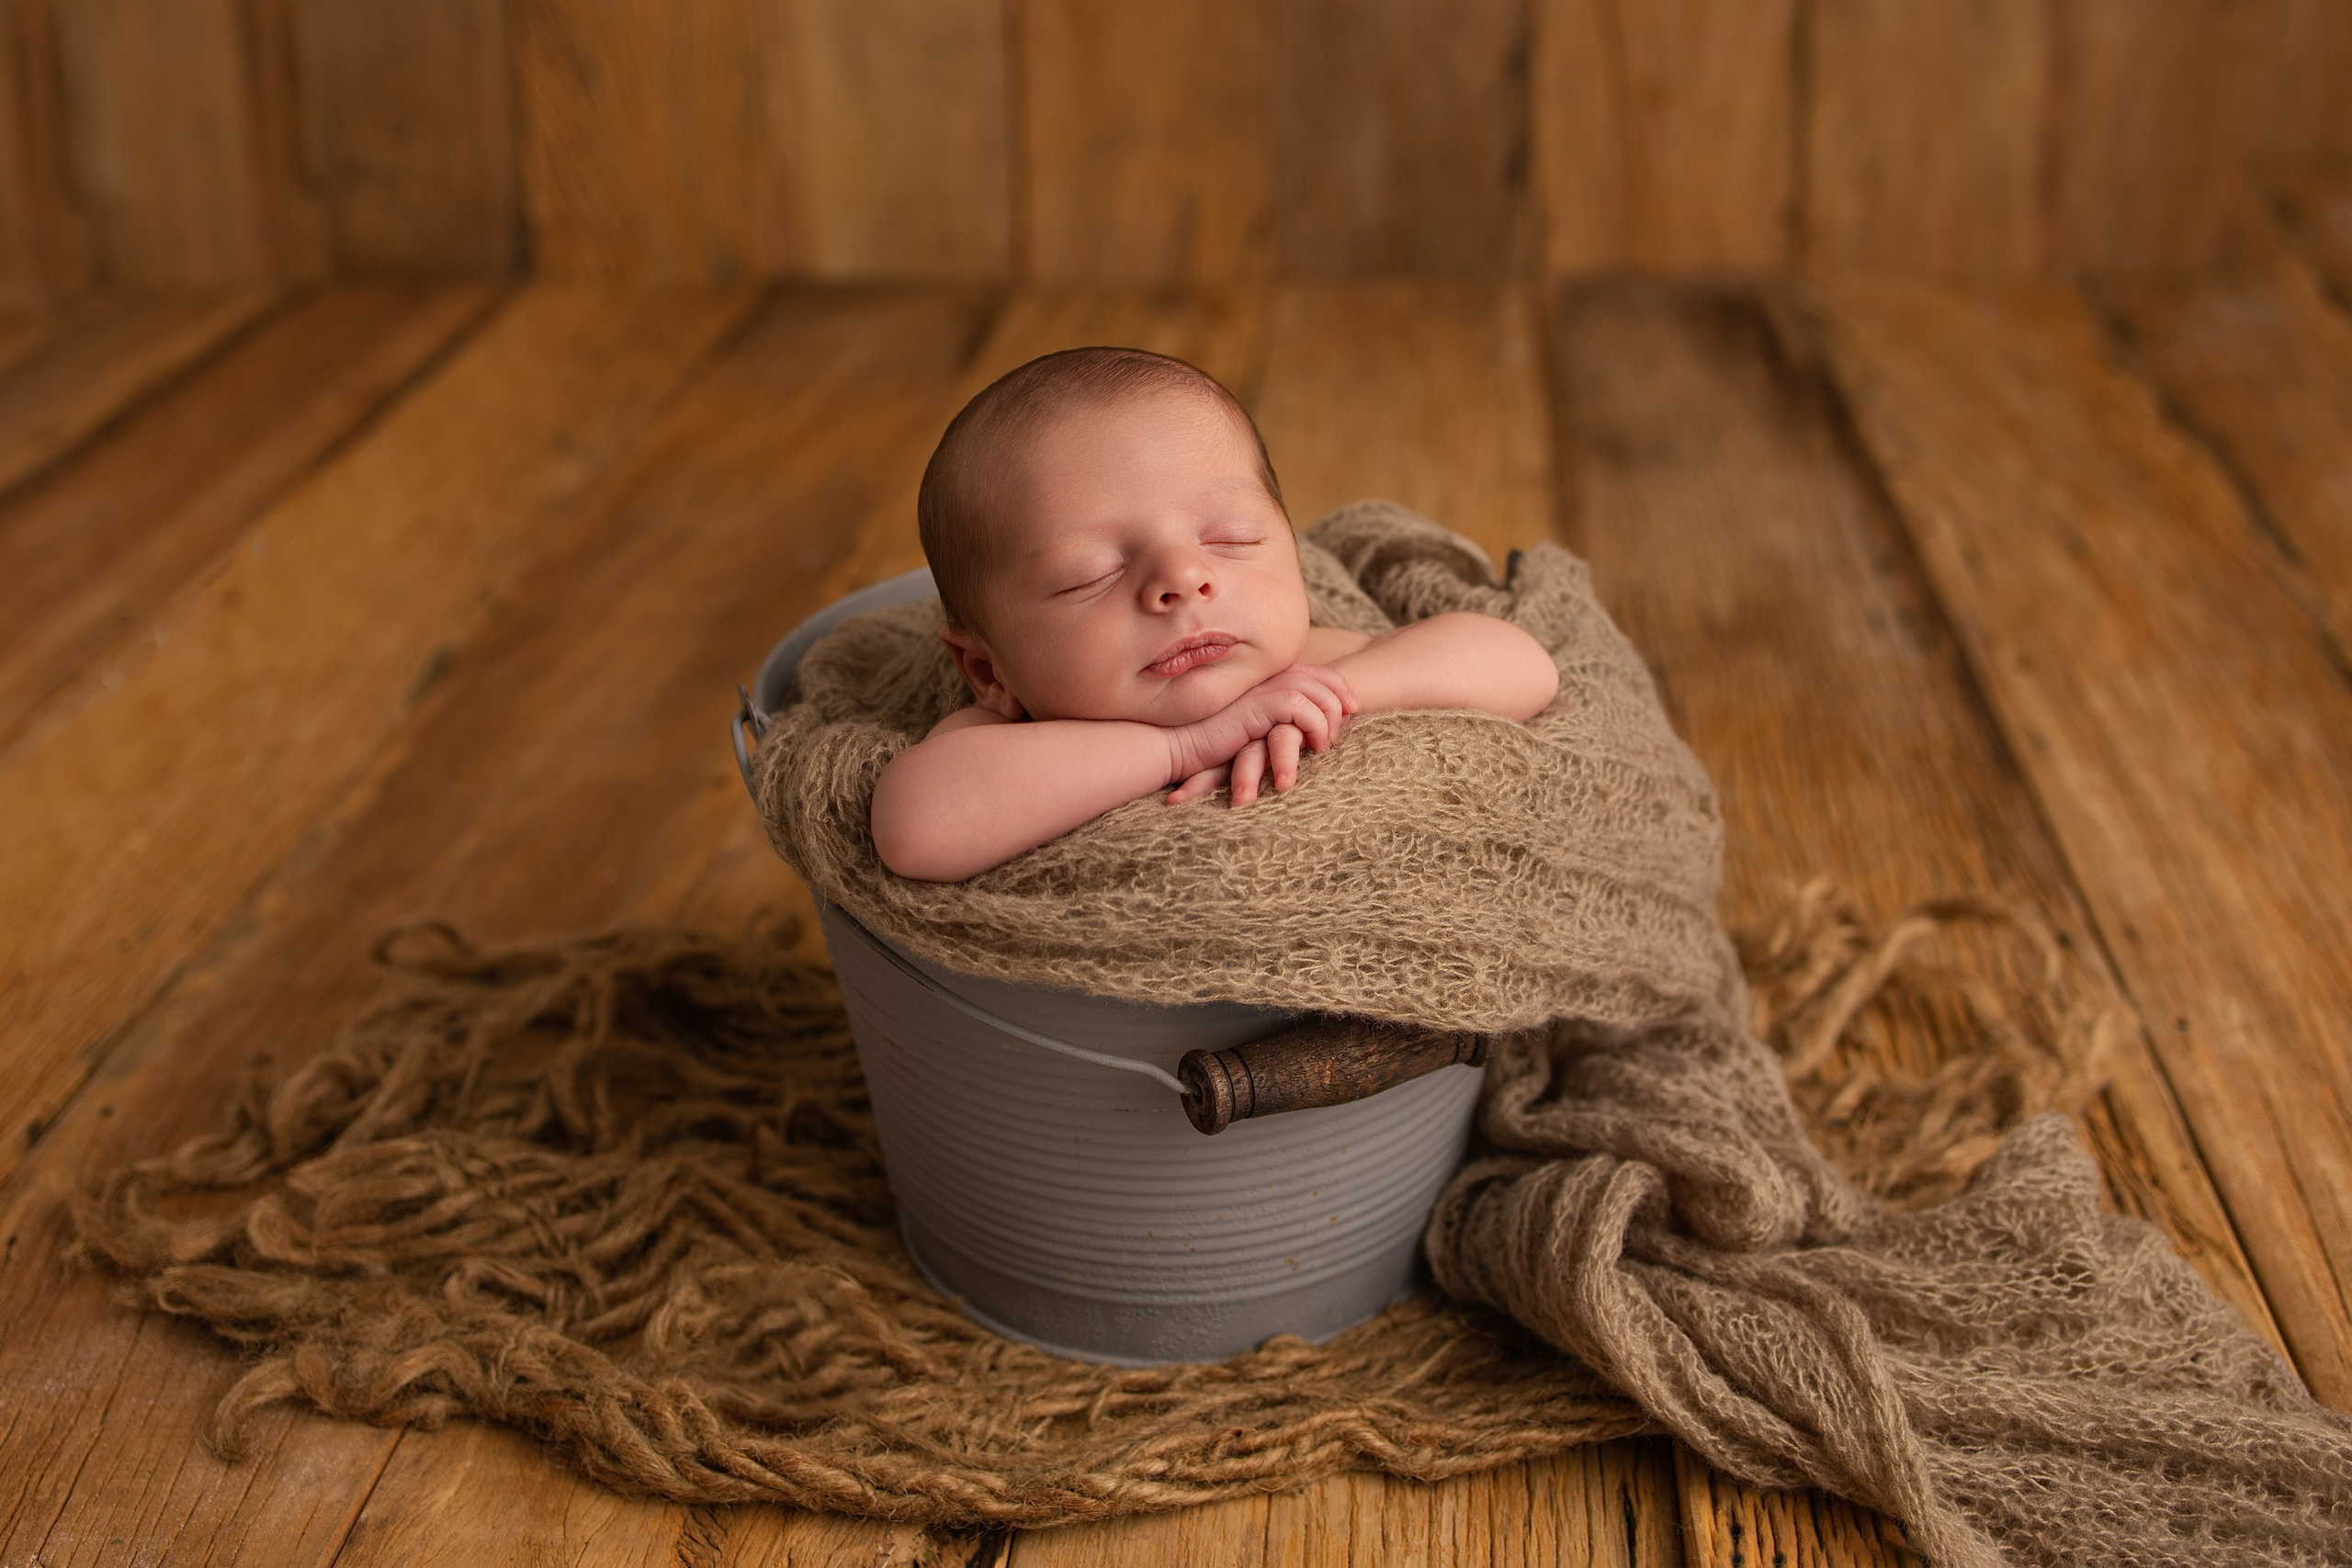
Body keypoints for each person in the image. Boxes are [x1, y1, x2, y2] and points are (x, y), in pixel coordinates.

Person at [869, 347, 1559, 883]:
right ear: (988, 671)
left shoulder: (1316, 664)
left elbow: (1524, 665)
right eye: (1092, 574)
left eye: (1230, 538)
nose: (1183, 579)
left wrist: (1335, 695)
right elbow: (915, 830)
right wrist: (1186, 747)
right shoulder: (1002, 739)